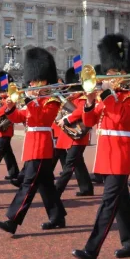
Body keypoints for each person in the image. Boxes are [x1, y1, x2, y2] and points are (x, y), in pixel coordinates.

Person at [72, 34, 130, 259]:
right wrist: (91, 101)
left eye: (114, 73)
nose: (109, 76)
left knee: (108, 203)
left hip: (121, 154)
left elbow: (121, 118)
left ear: (124, 73)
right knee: (121, 202)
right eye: (109, 72)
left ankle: (91, 249)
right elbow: (90, 121)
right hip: (106, 153)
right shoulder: (107, 97)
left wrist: (105, 94)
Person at [0, 48, 68, 234]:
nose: (32, 83)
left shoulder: (52, 100)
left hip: (41, 146)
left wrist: (30, 101)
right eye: (32, 80)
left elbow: (42, 119)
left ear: (45, 80)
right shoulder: (35, 100)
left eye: (36, 80)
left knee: (28, 185)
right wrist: (10, 109)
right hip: (32, 146)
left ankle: (13, 220)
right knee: (46, 185)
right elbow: (21, 117)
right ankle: (57, 216)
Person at [54, 67, 94, 197]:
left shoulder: (83, 98)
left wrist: (66, 119)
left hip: (78, 135)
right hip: (70, 134)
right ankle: (87, 188)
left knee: (69, 165)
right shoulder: (71, 98)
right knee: (78, 163)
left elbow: (80, 111)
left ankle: (57, 191)